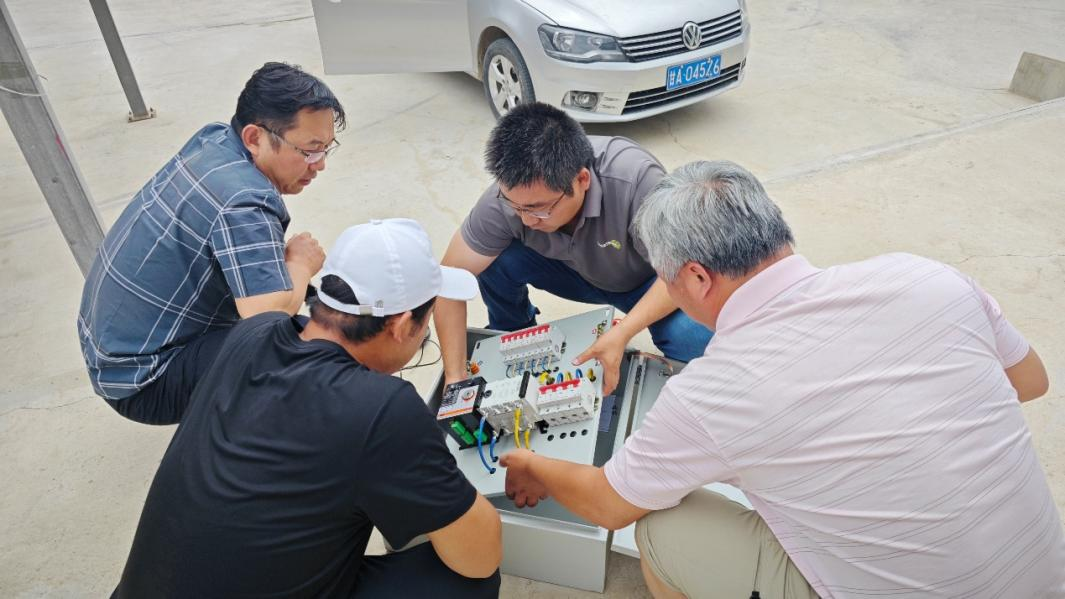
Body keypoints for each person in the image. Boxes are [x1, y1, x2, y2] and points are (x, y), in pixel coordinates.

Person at [501, 161, 1065, 598]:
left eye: (666, 281)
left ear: (696, 278)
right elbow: (1031, 381)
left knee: (660, 527)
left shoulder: (713, 392)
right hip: (1043, 577)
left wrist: (533, 464)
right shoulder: (927, 278)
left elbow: (610, 506)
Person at [111, 218, 502, 598]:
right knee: (470, 584)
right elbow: (480, 558)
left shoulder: (251, 334)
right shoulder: (384, 409)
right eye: (426, 322)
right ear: (401, 326)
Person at [77, 61, 343, 424]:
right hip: (145, 381)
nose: (319, 164)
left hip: (112, 349)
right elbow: (264, 318)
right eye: (309, 151)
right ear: (254, 138)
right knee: (311, 346)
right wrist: (300, 264)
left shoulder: (215, 140)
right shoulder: (245, 200)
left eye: (326, 148)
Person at [435, 102, 712, 395]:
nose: (527, 220)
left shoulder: (635, 180)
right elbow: (448, 281)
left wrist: (623, 332)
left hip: (649, 280)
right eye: (516, 207)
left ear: (582, 179)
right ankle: (515, 336)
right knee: (495, 259)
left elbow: (683, 271)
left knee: (692, 339)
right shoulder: (506, 201)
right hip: (572, 273)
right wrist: (455, 376)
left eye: (539, 209)